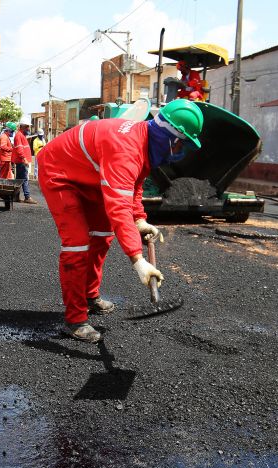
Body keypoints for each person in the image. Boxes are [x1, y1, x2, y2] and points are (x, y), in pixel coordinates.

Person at [37, 99, 204, 342]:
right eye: (182, 146)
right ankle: (74, 320)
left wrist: (140, 220)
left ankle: (90, 297)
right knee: (78, 243)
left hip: (88, 174)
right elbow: (118, 208)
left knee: (103, 235)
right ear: (171, 138)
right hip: (59, 173)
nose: (179, 153)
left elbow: (134, 186)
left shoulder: (144, 140)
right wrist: (138, 260)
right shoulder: (126, 149)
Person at [13, 124, 37, 204]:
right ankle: (27, 197)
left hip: (21, 161)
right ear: (22, 127)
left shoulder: (21, 135)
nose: (28, 128)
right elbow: (19, 149)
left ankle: (15, 196)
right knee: (24, 179)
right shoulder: (19, 135)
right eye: (26, 127)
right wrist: (24, 158)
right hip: (22, 161)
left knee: (19, 179)